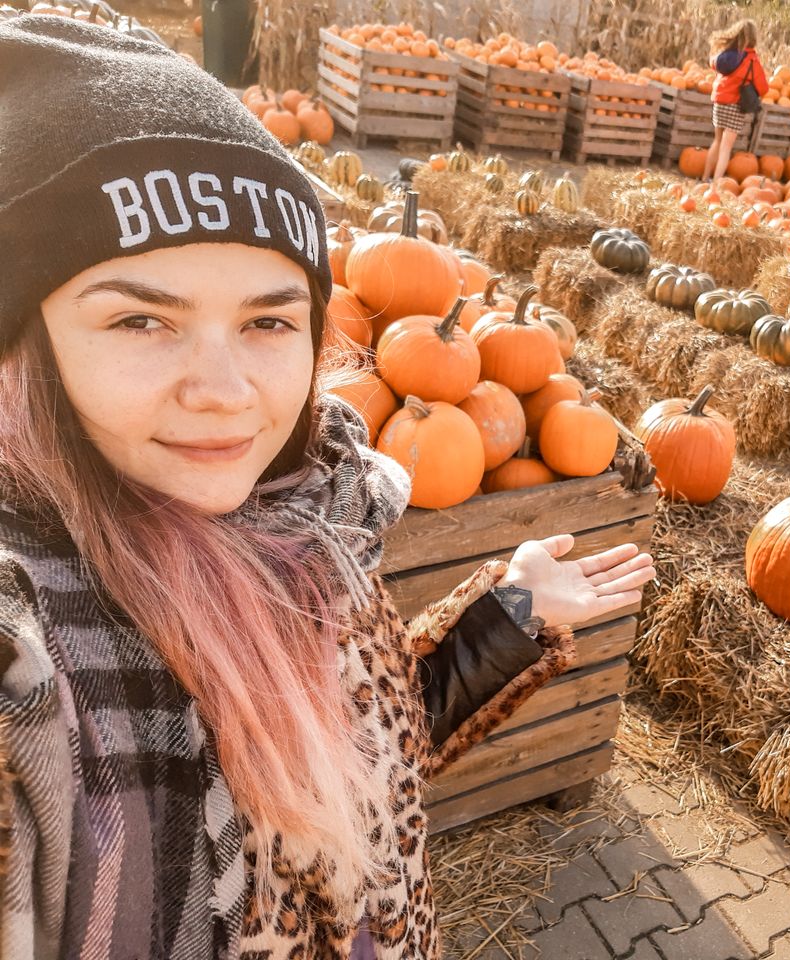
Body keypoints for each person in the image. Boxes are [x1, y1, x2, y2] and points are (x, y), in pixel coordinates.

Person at [0, 16, 654, 960]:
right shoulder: (35, 666)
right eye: (142, 320)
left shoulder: (308, 523)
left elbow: (358, 758)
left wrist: (505, 619)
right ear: (25, 341)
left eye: (269, 322)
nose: (225, 393)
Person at [705, 18, 768, 182]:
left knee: (717, 141)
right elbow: (763, 88)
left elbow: (714, 63)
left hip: (719, 102)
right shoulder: (751, 59)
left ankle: (705, 177)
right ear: (753, 38)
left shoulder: (726, 55)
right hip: (735, 105)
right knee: (726, 147)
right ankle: (715, 185)